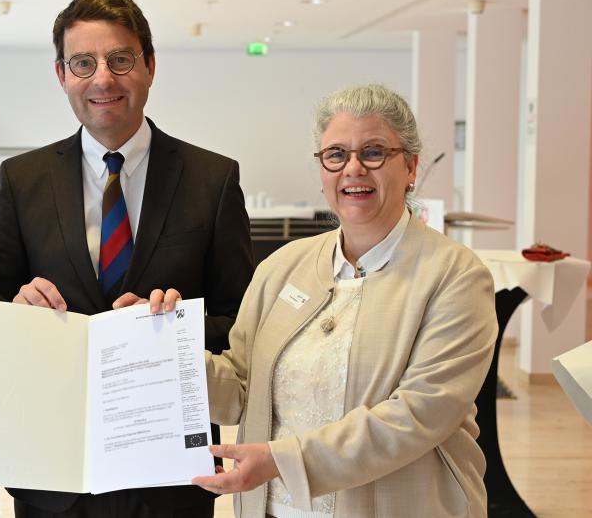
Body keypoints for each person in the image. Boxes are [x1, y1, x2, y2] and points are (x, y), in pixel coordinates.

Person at [0, 0, 254, 518]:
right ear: (61, 75)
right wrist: (19, 308)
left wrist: (174, 328)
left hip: (168, 474)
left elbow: (242, 323)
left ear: (149, 66)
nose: (102, 78)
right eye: (83, 63)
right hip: (53, 471)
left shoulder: (213, 179)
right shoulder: (22, 179)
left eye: (120, 59)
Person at [190, 84, 497, 517]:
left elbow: (420, 413)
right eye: (336, 155)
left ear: (411, 167)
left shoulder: (455, 276)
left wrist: (283, 461)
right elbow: (241, 386)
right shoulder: (282, 268)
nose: (353, 168)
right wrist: (163, 349)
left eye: (374, 152)